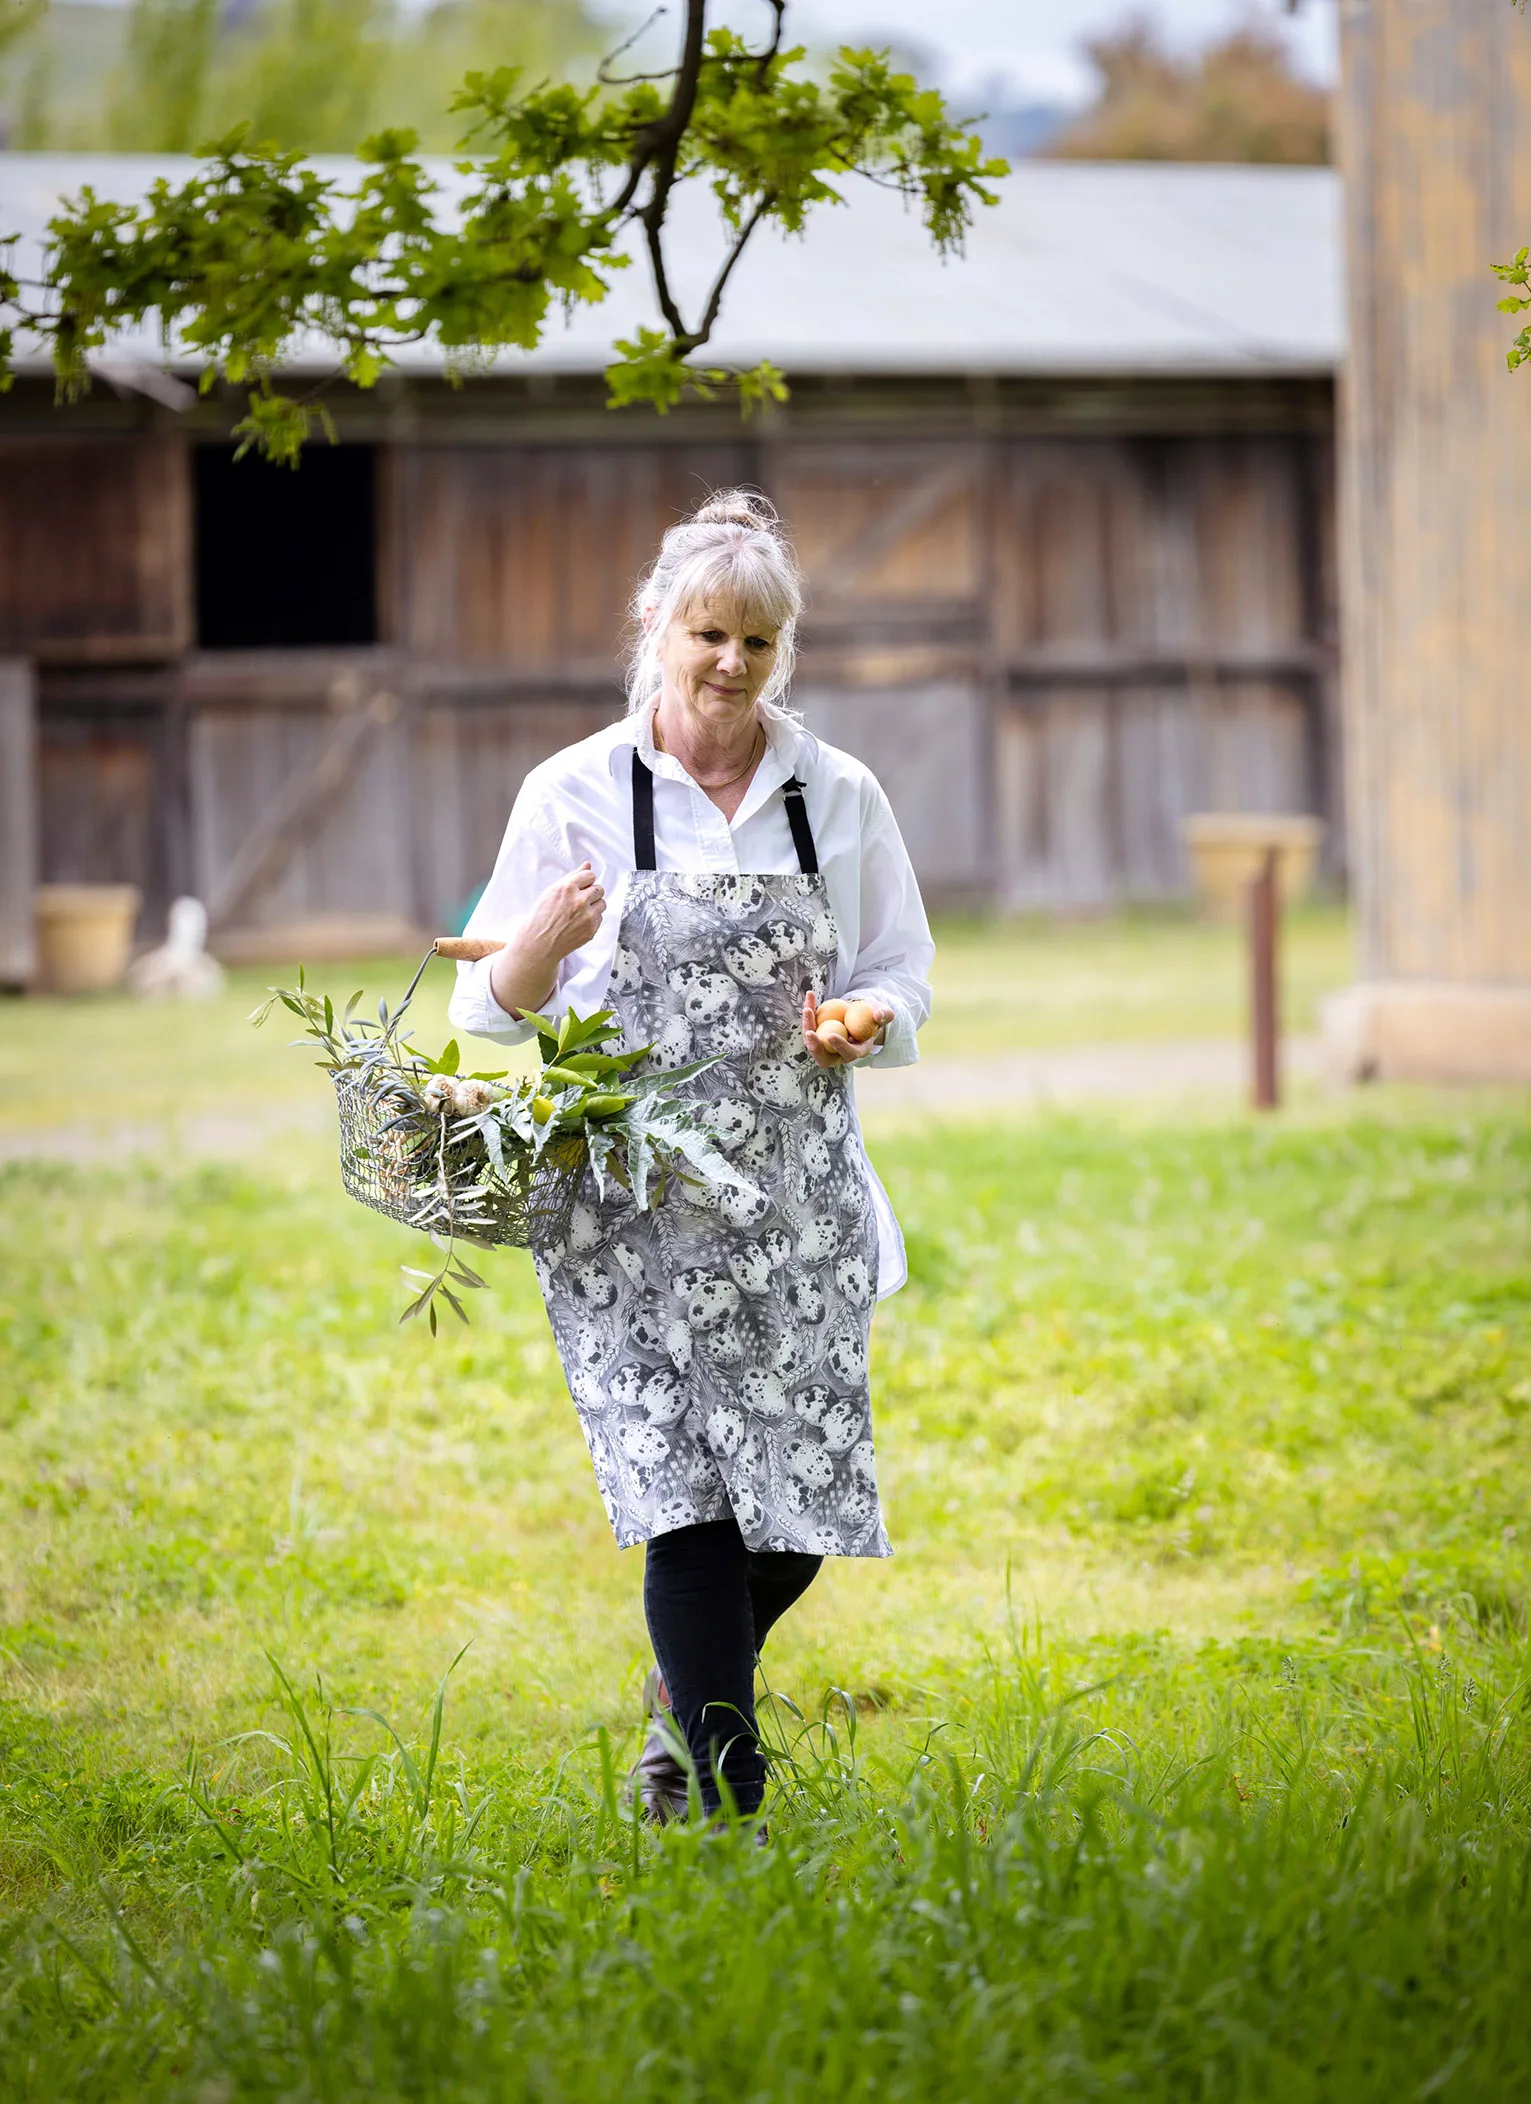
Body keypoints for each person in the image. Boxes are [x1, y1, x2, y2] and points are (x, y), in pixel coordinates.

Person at [448, 490, 933, 1825]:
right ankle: (720, 1800)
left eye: (758, 645)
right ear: (656, 628)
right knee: (690, 1510)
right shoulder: (572, 791)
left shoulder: (836, 796)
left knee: (795, 1522)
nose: (729, 665)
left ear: (784, 653)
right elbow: (484, 1007)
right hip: (631, 1208)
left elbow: (901, 967)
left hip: (794, 1202)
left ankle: (677, 1699)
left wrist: (869, 1015)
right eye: (707, 633)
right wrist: (536, 952)